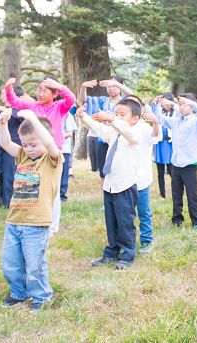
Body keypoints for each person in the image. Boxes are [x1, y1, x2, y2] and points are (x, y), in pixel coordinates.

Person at [0, 109, 63, 312]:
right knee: (11, 262)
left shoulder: (52, 160)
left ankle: (41, 297)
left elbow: (50, 144)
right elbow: (6, 144)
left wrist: (34, 119)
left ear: (45, 139)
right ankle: (18, 292)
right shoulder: (23, 157)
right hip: (14, 220)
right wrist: (2, 124)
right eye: (25, 145)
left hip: (36, 223)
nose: (29, 149)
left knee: (35, 264)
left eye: (34, 144)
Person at [4, 76, 76, 235]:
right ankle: (33, 219)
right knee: (34, 187)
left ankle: (52, 227)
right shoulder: (32, 106)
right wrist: (9, 90)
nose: (40, 93)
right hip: (33, 154)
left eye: (45, 90)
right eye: (39, 89)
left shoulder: (59, 107)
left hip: (51, 154)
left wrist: (60, 86)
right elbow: (15, 102)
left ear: (54, 93)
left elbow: (71, 100)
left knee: (53, 191)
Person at [78, 98, 141, 270]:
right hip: (110, 184)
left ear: (134, 118)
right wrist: (84, 116)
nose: (117, 117)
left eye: (123, 114)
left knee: (125, 221)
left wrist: (112, 119)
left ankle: (127, 254)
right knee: (111, 221)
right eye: (116, 113)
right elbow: (99, 129)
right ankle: (112, 251)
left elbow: (129, 133)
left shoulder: (135, 133)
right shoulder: (114, 133)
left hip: (125, 185)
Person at [154, 93, 197, 230]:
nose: (182, 107)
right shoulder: (176, 120)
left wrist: (193, 103)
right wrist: (156, 104)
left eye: (185, 104)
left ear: (192, 106)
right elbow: (159, 118)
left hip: (190, 164)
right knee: (176, 194)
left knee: (192, 195)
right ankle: (177, 219)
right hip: (176, 164)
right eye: (180, 104)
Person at [78, 76, 133, 207]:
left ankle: (121, 197)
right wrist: (83, 87)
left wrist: (116, 84)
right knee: (104, 170)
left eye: (114, 86)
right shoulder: (103, 100)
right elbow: (84, 100)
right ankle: (106, 200)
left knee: (119, 168)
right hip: (103, 139)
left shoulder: (125, 102)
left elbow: (132, 95)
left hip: (120, 140)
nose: (111, 89)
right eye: (109, 86)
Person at [126, 95, 161, 254]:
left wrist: (155, 122)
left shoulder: (144, 127)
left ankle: (146, 240)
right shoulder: (120, 126)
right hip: (123, 178)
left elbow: (155, 136)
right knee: (126, 213)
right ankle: (128, 241)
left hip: (141, 178)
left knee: (144, 211)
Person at [153, 92, 175, 198]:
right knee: (160, 171)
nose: (167, 105)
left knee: (172, 170)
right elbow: (153, 114)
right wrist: (155, 103)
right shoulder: (159, 111)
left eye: (168, 103)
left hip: (170, 145)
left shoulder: (176, 113)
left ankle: (177, 191)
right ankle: (162, 194)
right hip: (160, 143)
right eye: (164, 103)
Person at [60, 112, 78, 202]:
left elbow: (70, 133)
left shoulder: (68, 115)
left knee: (64, 173)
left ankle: (62, 195)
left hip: (64, 149)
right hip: (50, 148)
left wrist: (57, 137)